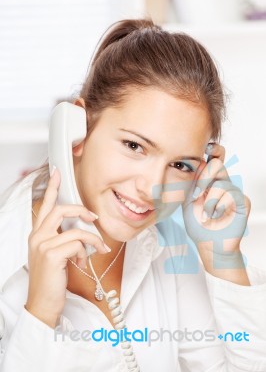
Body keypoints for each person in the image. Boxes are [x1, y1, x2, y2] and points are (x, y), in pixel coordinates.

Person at [0, 19, 266, 372]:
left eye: (181, 165)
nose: (152, 187)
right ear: (78, 129)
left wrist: (224, 260)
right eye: (134, 145)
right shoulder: (8, 255)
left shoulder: (170, 246)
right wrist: (41, 315)